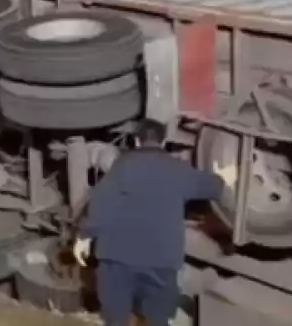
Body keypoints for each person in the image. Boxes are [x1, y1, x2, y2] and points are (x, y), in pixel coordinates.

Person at [73, 119, 231, 326]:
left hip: (118, 259)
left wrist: (84, 236)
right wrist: (227, 175)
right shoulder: (179, 170)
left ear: (137, 141)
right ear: (164, 141)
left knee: (115, 318)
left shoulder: (122, 167)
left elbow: (101, 204)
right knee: (158, 319)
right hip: (161, 262)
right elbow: (213, 188)